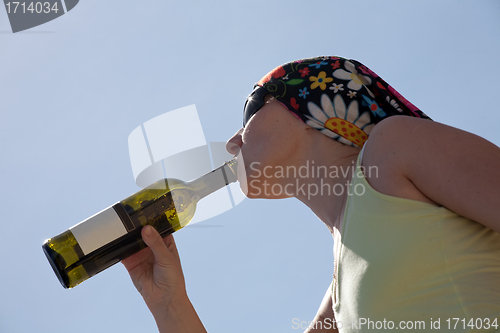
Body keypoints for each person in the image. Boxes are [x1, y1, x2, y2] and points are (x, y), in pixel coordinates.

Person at [122, 56, 500, 333]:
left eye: (250, 111)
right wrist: (168, 303)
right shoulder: (338, 295)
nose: (234, 142)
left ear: (308, 103)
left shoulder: (394, 148)